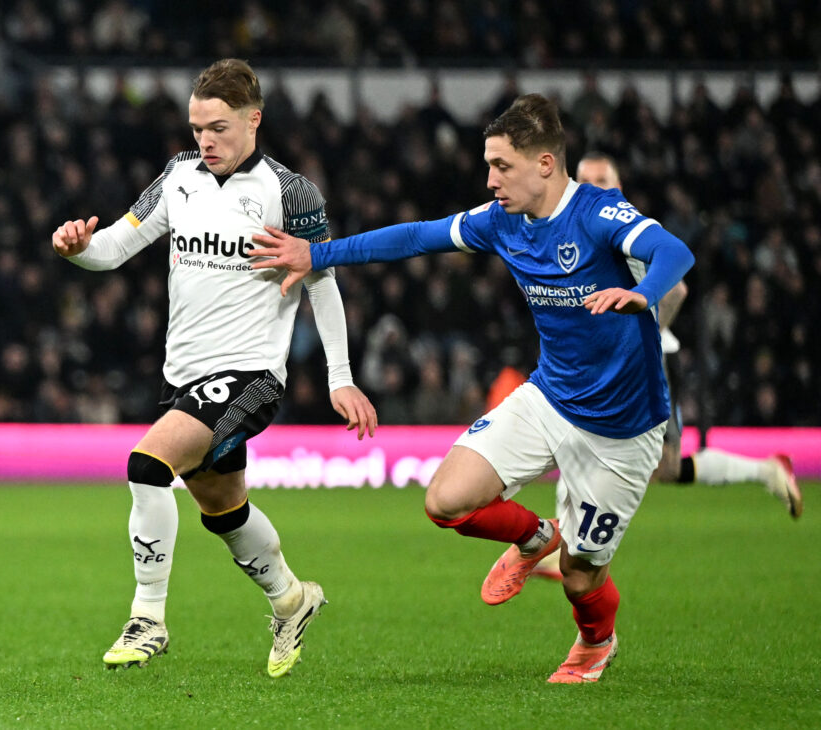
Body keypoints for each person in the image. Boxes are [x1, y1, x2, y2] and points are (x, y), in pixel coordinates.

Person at [250, 94, 695, 684]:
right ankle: (537, 535)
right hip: (551, 397)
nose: (490, 180)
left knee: (583, 574)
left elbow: (674, 251)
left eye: (501, 166)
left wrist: (644, 293)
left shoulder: (597, 215)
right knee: (446, 501)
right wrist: (317, 252)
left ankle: (596, 641)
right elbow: (414, 237)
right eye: (488, 165)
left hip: (622, 427)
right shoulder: (501, 221)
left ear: (544, 163)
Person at [51, 58, 377, 677]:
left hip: (251, 373)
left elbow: (323, 282)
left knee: (147, 465)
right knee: (223, 510)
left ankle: (147, 618)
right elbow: (116, 246)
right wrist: (77, 249)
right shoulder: (178, 176)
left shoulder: (292, 193)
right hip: (185, 376)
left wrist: (340, 376)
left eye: (220, 127)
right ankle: (291, 599)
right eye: (198, 126)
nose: (206, 139)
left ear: (254, 121)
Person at [575, 152, 801, 518]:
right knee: (665, 469)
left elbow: (676, 290)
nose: (590, 189)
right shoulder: (585, 232)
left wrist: (640, 337)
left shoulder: (621, 229)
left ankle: (559, 544)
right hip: (631, 359)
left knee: (589, 442)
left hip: (649, 360)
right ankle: (767, 470)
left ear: (618, 188)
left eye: (600, 181)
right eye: (583, 181)